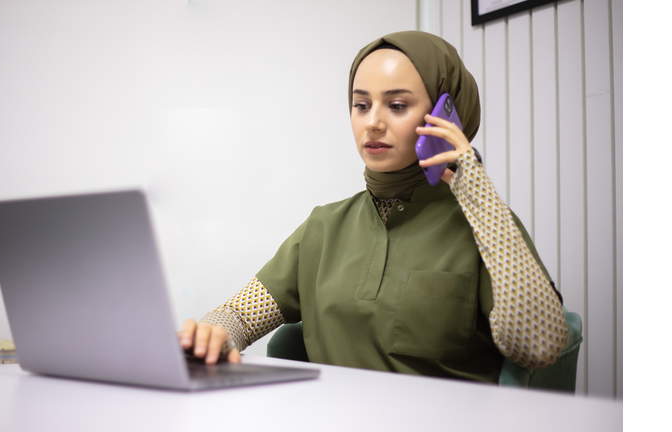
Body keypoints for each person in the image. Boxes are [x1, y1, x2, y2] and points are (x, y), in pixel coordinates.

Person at [178, 31, 568, 383]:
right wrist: (214, 334)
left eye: (397, 105)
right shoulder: (323, 227)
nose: (373, 123)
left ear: (448, 115)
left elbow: (538, 346)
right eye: (361, 105)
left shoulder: (486, 224)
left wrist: (478, 194)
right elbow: (240, 315)